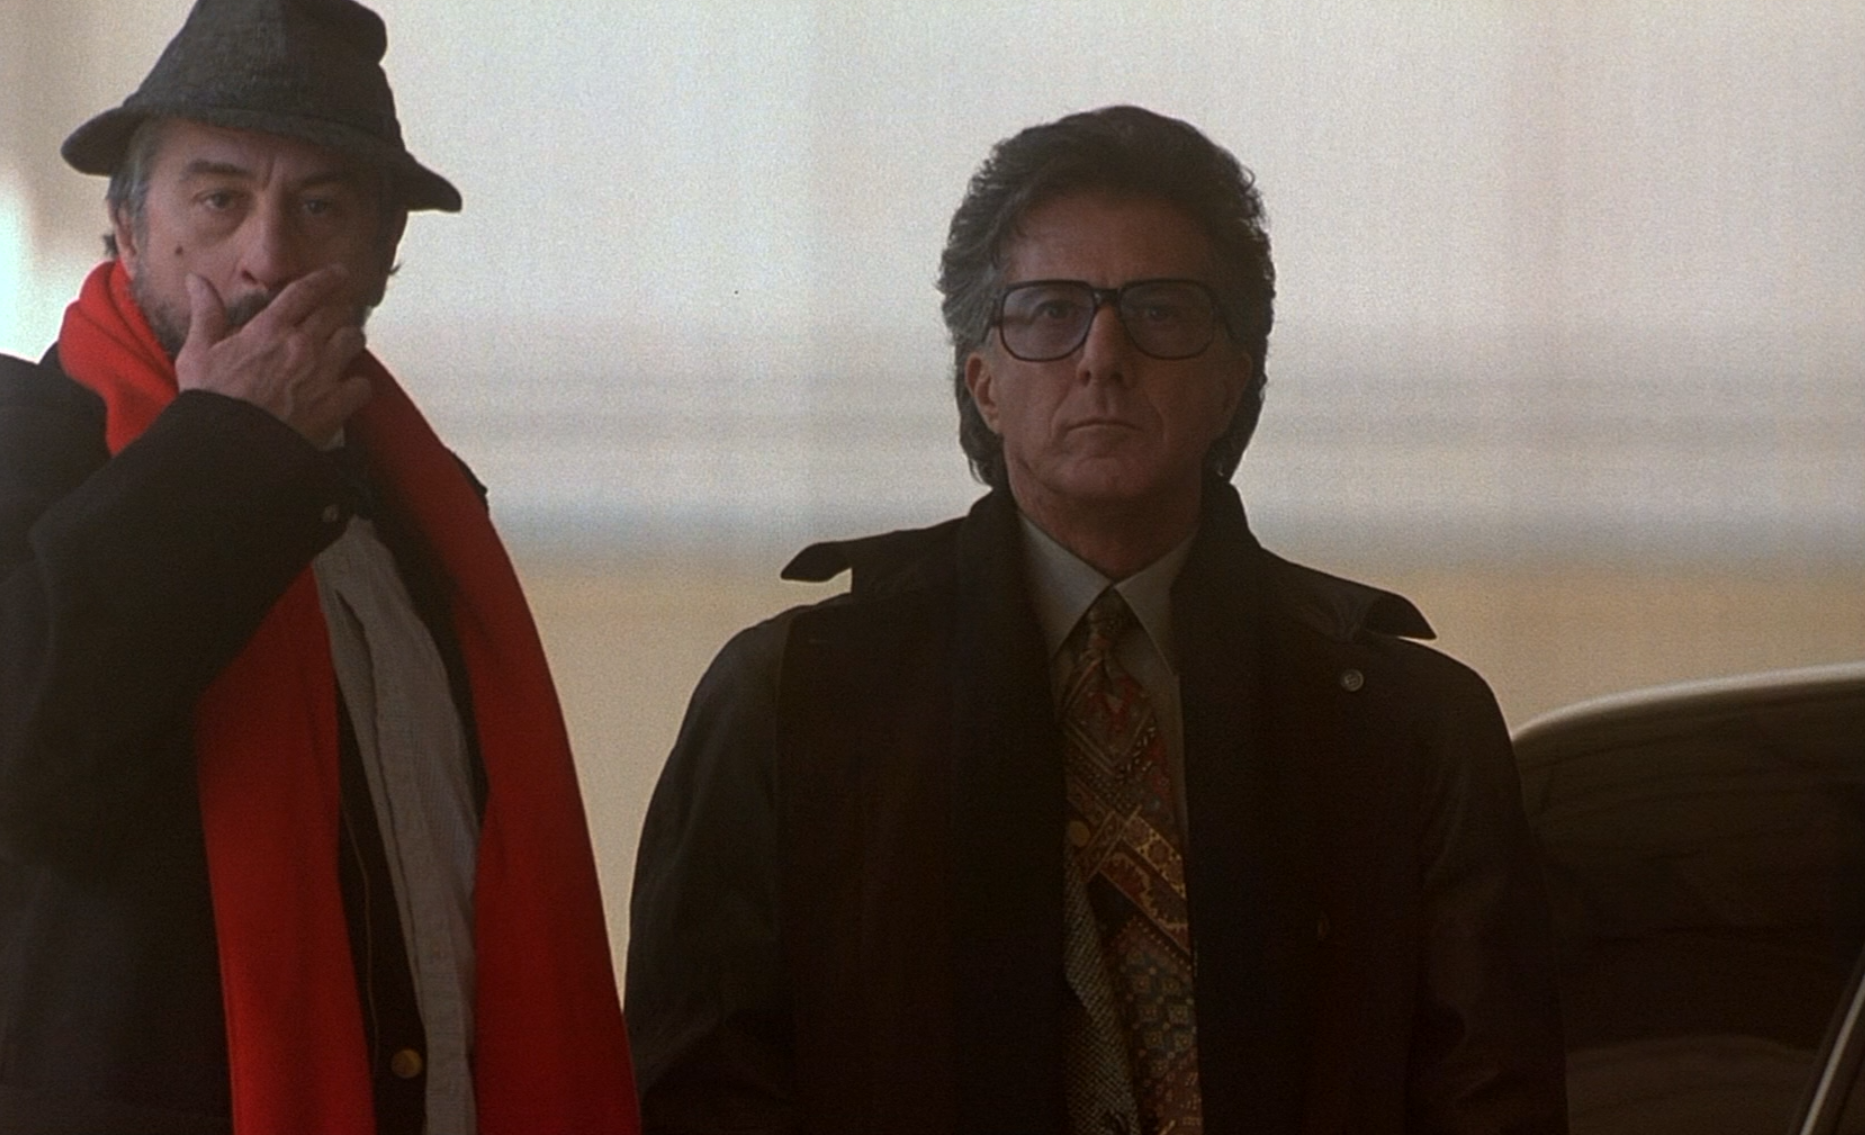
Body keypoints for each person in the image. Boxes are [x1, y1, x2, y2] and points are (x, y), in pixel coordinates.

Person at [624, 106, 1567, 1134]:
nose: (1103, 356)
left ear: (1234, 378)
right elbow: (700, 1090)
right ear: (983, 381)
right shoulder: (795, 698)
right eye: (1049, 312)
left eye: (1161, 312)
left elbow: (1492, 1101)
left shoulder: (1405, 724)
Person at [0, 0, 637, 1135]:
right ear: (128, 227)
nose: (268, 257)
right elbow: (12, 750)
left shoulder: (416, 511)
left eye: (320, 208)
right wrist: (228, 446)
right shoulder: (16, 451)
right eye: (218, 200)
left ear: (383, 253)